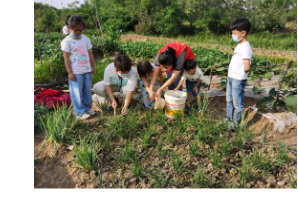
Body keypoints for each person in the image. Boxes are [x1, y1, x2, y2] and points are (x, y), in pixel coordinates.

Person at [61, 15, 96, 120]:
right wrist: (70, 73)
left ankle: (86, 108)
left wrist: (93, 67)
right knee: (76, 92)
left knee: (87, 91)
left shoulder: (85, 39)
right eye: (77, 30)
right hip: (76, 72)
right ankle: (79, 112)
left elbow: (90, 54)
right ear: (69, 28)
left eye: (82, 30)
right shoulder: (66, 42)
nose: (80, 32)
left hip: (87, 70)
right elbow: (66, 58)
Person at [225, 17, 252, 128]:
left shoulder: (246, 47)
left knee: (237, 103)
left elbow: (247, 66)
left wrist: (239, 71)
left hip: (237, 79)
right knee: (229, 99)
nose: (233, 35)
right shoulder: (240, 45)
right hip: (232, 77)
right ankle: (229, 120)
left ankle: (237, 125)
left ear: (243, 32)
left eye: (234, 33)